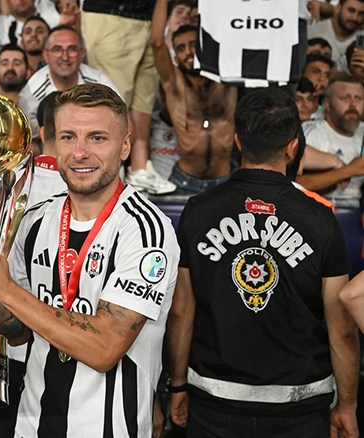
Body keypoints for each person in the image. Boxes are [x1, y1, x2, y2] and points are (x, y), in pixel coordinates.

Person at [0, 83, 179, 437]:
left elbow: (104, 348)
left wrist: (6, 290)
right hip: (31, 425)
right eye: (68, 137)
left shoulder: (144, 230)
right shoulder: (34, 220)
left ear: (125, 146)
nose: (80, 153)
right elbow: (18, 332)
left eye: (97, 138)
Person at [168, 87, 359, 437]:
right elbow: (342, 328)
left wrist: (177, 384)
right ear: (292, 147)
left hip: (215, 403)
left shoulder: (198, 211)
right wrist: (347, 405)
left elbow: (181, 310)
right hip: (300, 407)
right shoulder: (320, 218)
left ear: (238, 142)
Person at [82, 0, 176, 195]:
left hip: (149, 14)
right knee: (114, 101)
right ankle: (111, 174)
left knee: (144, 98)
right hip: (111, 14)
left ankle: (139, 168)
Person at [151, 0, 237, 195]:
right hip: (185, 182)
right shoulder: (174, 83)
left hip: (225, 180)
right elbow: (156, 42)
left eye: (193, 45)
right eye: (181, 48)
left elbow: (232, 34)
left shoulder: (226, 75)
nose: (188, 52)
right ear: (175, 57)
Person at [18, 25, 119, 134]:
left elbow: (123, 122)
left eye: (72, 49)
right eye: (57, 49)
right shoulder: (31, 93)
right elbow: (28, 137)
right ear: (46, 55)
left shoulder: (100, 82)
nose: (65, 57)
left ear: (82, 54)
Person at [299, 75, 364, 206]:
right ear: (327, 104)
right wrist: (348, 171)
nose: (353, 105)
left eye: (358, 98)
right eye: (345, 98)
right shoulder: (311, 133)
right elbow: (294, 184)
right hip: (322, 210)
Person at [308, 0, 364, 72]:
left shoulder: (362, 37)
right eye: (351, 10)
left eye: (361, 13)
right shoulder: (314, 29)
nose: (355, 18)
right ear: (338, 7)